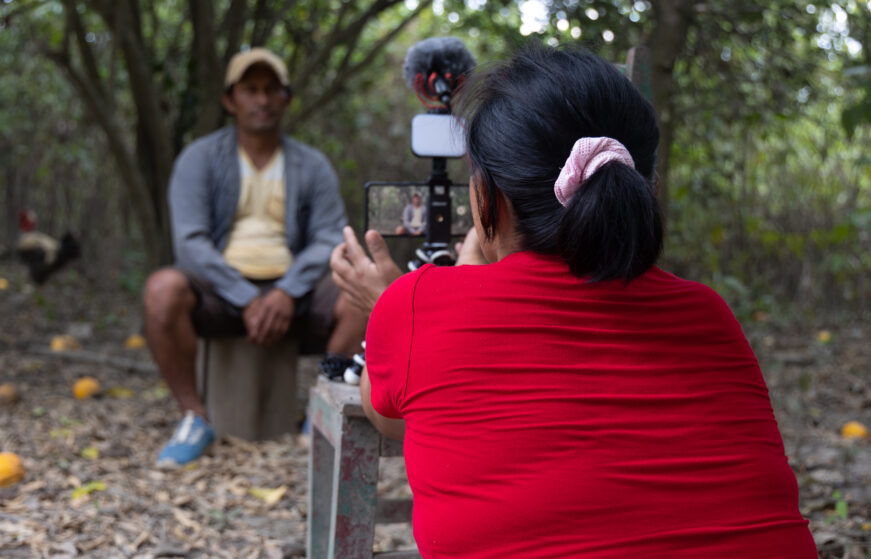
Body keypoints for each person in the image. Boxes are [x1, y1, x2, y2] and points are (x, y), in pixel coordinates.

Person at [331, 46, 817, 558]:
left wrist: (399, 303)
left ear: (487, 199)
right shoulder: (709, 312)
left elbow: (388, 418)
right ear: (642, 190)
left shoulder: (416, 306)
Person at [144, 48, 367, 468]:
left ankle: (322, 413)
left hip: (293, 291)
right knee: (161, 290)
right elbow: (189, 242)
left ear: (285, 98)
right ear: (231, 100)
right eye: (250, 90)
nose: (261, 100)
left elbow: (326, 239)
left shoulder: (312, 165)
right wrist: (245, 295)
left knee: (361, 292)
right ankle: (194, 417)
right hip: (220, 290)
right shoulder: (199, 158)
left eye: (271, 90)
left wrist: (286, 290)